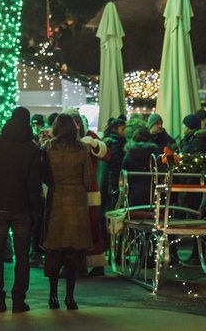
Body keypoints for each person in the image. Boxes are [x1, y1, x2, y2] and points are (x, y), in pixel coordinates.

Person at [0, 106, 42, 313]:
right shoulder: (32, 148)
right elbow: (34, 185)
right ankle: (18, 299)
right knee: (22, 256)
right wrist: (36, 211)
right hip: (22, 207)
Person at [41, 114, 92, 311]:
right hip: (77, 200)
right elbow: (88, 178)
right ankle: (70, 298)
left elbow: (44, 175)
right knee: (73, 250)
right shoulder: (82, 150)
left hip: (56, 199)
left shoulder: (49, 148)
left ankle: (52, 296)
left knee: (54, 250)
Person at [70, 112, 109, 276]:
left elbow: (106, 154)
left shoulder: (89, 137)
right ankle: (76, 263)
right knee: (73, 229)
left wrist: (93, 143)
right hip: (72, 191)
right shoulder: (65, 139)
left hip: (88, 191)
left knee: (92, 227)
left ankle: (96, 263)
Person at [121, 127, 158, 207]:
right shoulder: (153, 153)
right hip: (150, 189)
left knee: (134, 212)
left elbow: (124, 168)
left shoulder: (129, 152)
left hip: (133, 189)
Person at [102, 117, 126, 211]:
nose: (124, 132)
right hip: (114, 178)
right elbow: (116, 162)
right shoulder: (116, 142)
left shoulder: (109, 140)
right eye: (122, 129)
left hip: (109, 177)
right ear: (115, 130)